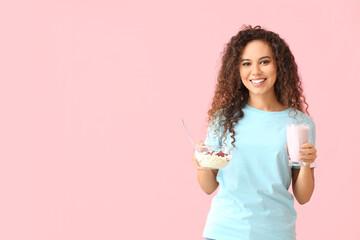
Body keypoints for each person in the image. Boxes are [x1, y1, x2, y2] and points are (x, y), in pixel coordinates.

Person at [192, 25, 318, 240]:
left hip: (276, 233)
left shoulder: (299, 122)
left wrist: (306, 164)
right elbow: (208, 187)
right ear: (237, 70)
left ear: (279, 65)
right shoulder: (223, 119)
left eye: (265, 62)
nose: (256, 72)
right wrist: (202, 165)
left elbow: (303, 196)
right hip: (224, 231)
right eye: (246, 64)